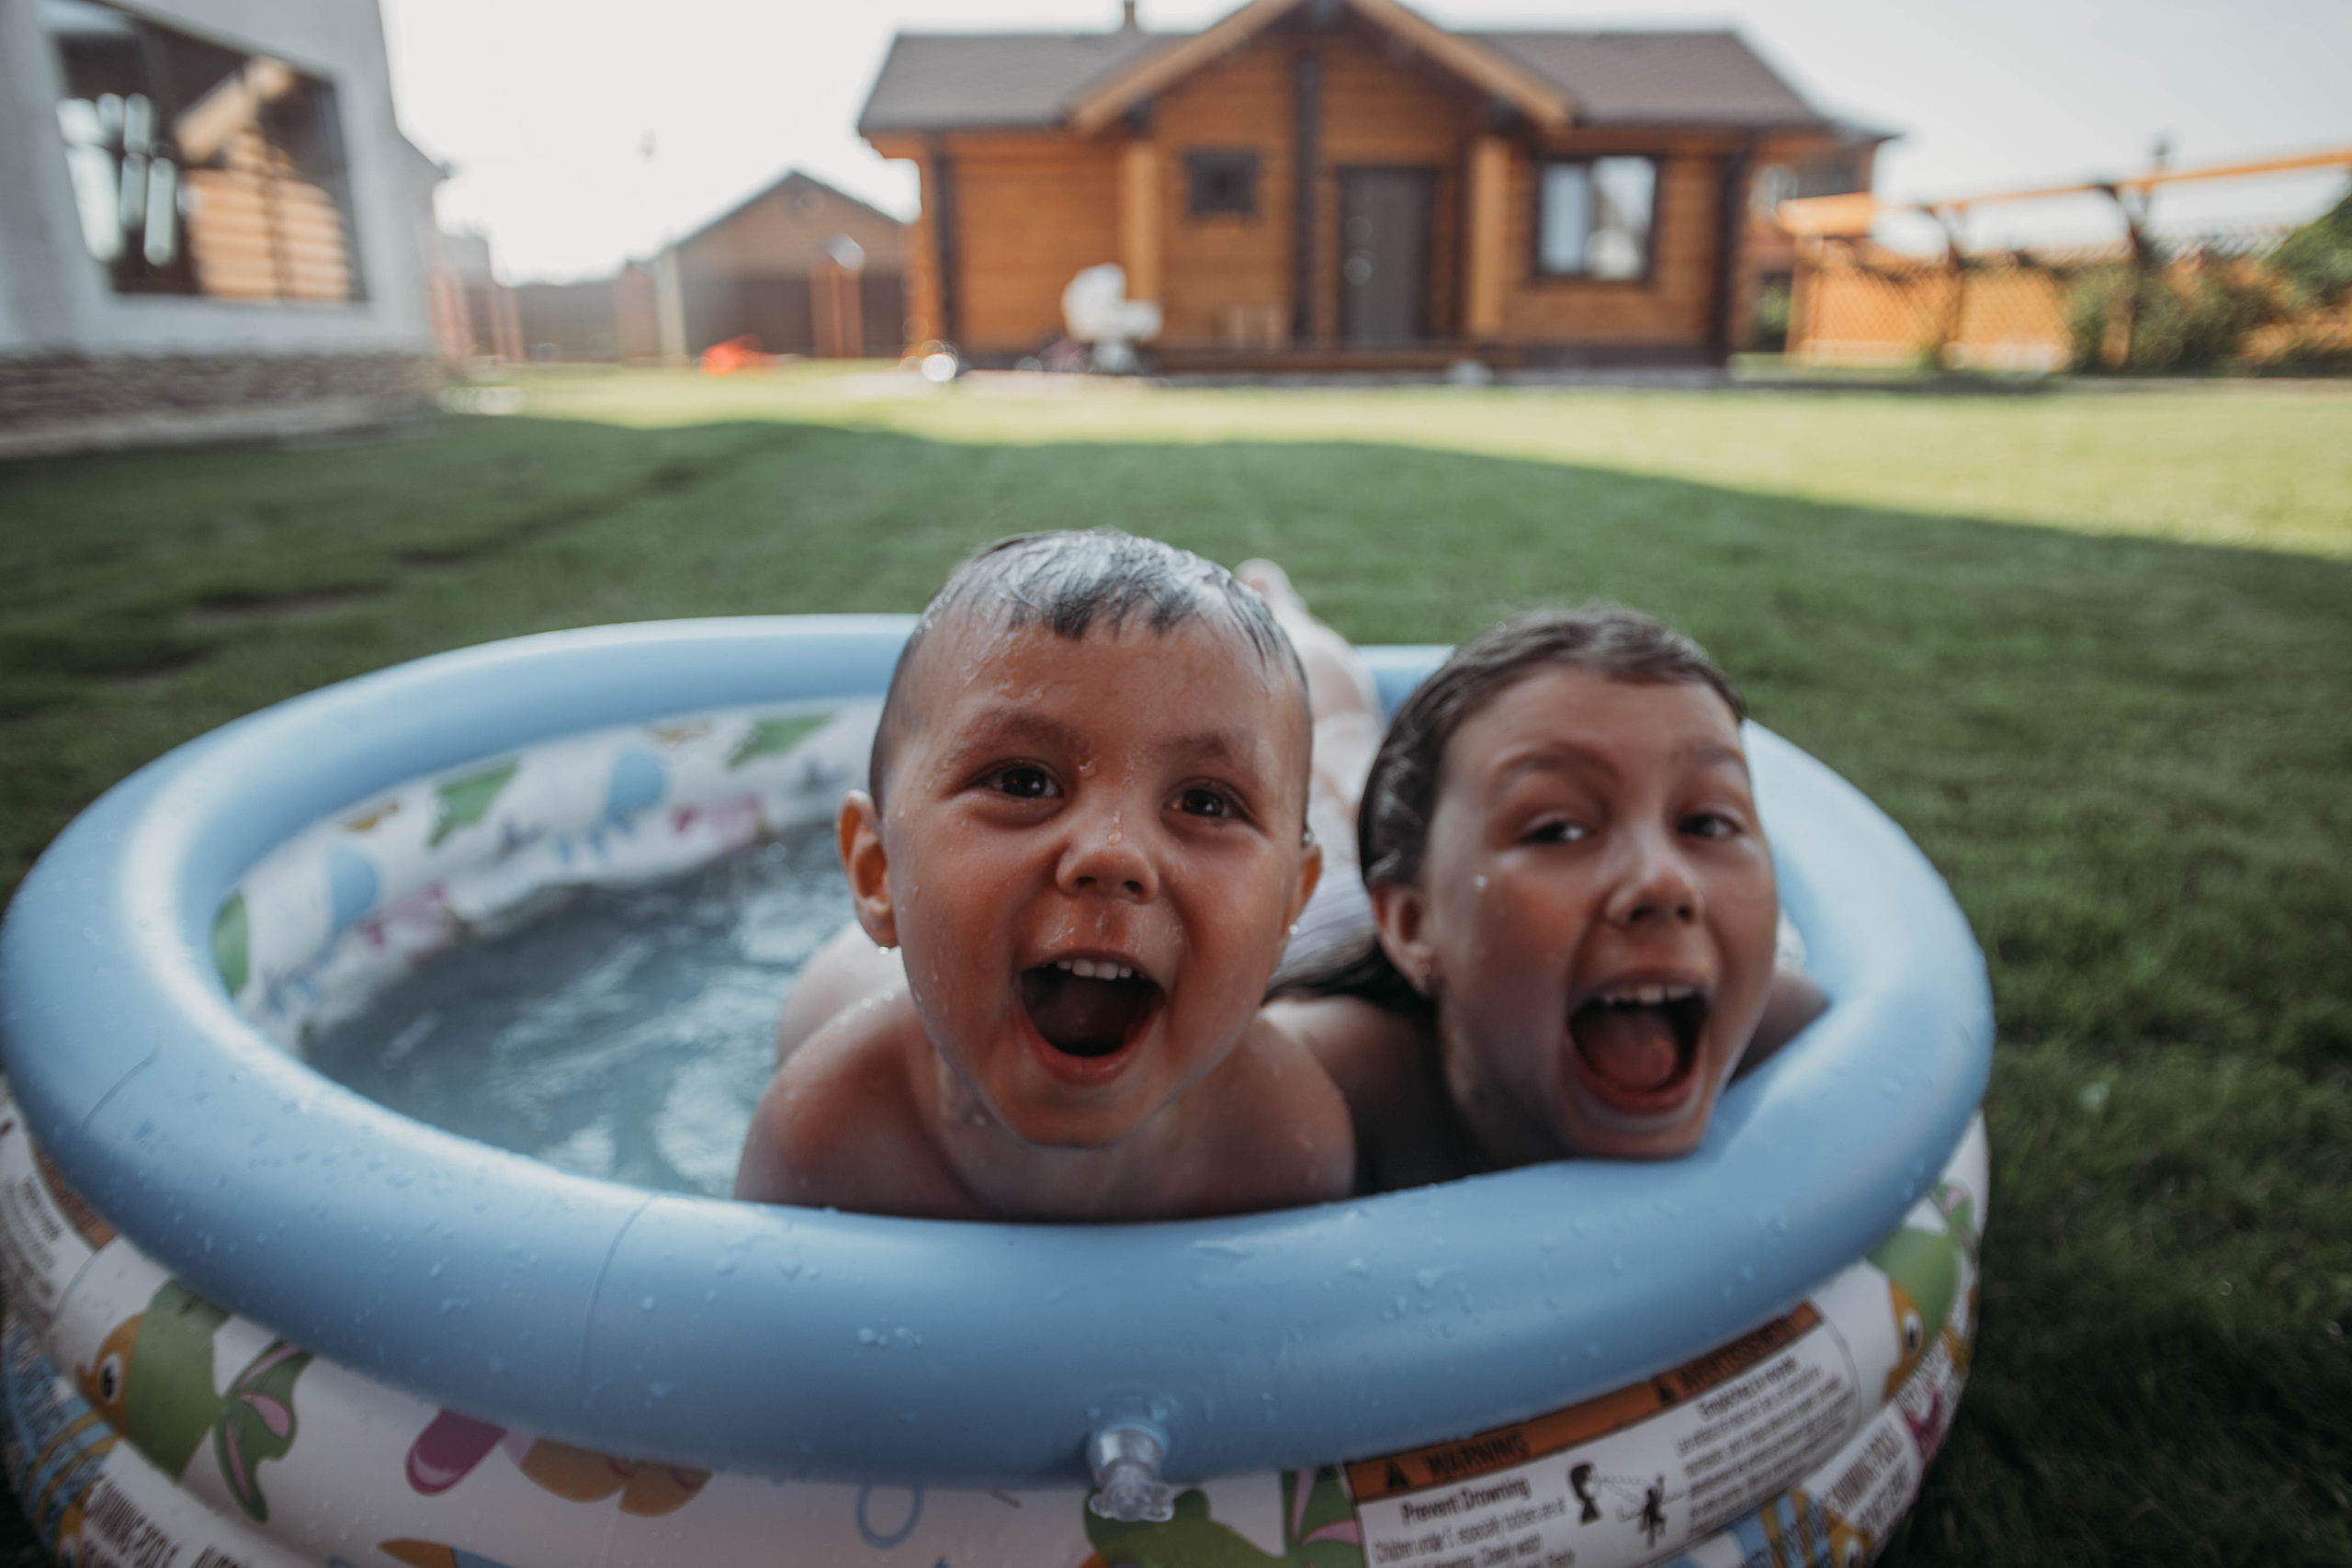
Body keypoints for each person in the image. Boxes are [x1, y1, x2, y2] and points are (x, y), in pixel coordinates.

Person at [734, 531, 1353, 1221]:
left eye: (1206, 803)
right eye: (1023, 783)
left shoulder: (1285, 1143)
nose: (1113, 854)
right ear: (877, 872)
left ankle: (1296, 624)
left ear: (1287, 907)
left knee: (1347, 755)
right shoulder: (822, 1143)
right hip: (850, 977)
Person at [1266, 605, 1826, 1192]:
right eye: (1559, 831)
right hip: (1321, 911)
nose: (1665, 882)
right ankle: (1286, 616)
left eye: (1707, 823)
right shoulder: (1321, 1076)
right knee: (1343, 751)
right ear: (1412, 924)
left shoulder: (1774, 1020)